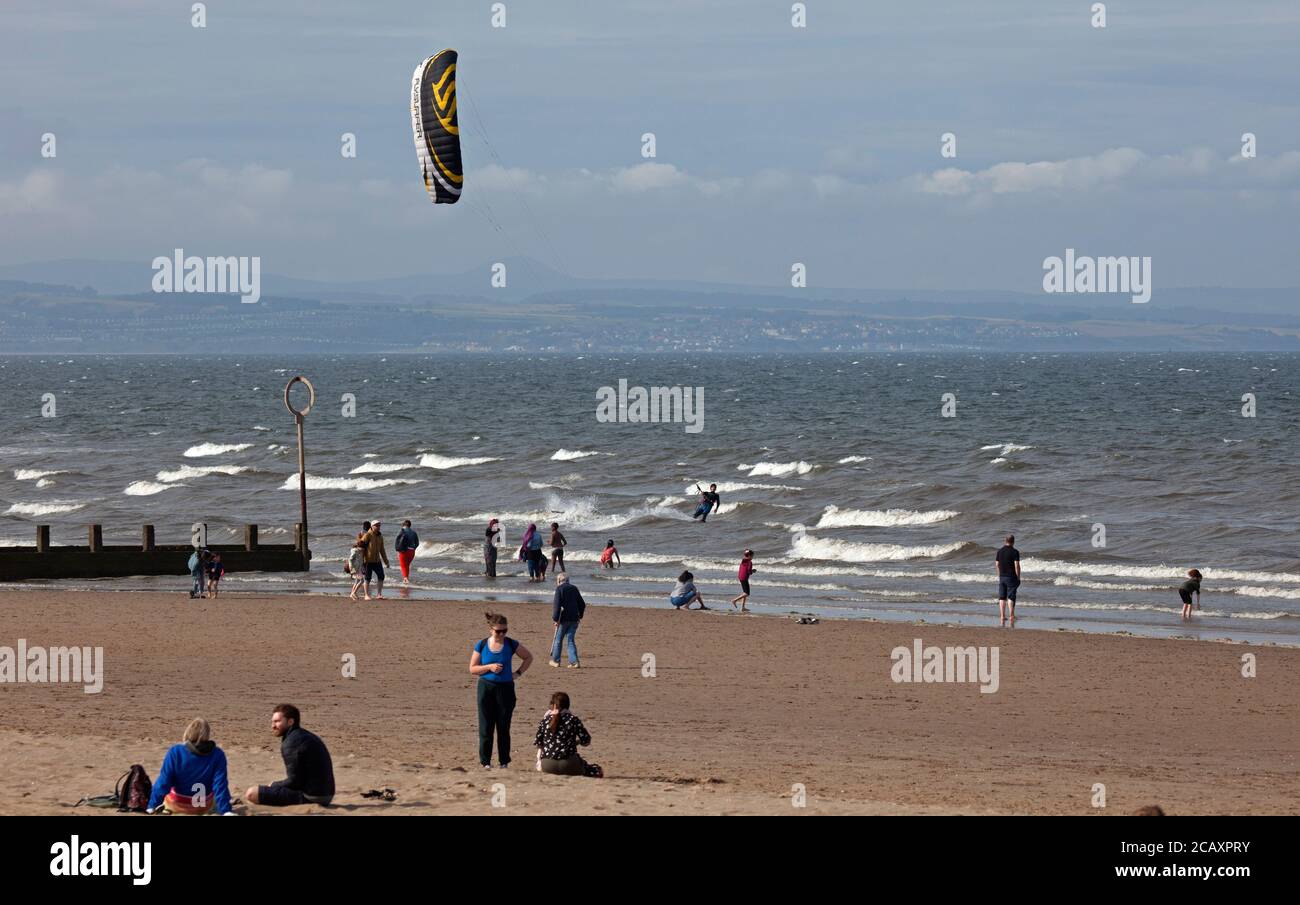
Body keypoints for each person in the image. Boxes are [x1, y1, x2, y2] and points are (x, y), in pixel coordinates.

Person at [469, 613, 533, 769]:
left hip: (505, 689)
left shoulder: (511, 644)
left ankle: (504, 762)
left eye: (505, 630)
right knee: (486, 726)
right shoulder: (482, 644)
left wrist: (517, 673)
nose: (502, 634)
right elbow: (472, 668)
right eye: (498, 631)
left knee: (503, 727)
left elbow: (528, 657)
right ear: (491, 629)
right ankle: (485, 762)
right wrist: (489, 667)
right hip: (486, 688)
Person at [243, 704, 335, 807]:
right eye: (272, 722)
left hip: (313, 797)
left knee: (252, 793)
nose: (273, 726)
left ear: (290, 722)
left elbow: (294, 782)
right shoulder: (304, 736)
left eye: (277, 721)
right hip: (326, 794)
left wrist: (274, 785)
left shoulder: (291, 743)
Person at [146, 718, 234, 815]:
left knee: (165, 789)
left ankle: (164, 808)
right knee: (215, 795)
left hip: (177, 804)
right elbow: (220, 784)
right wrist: (226, 811)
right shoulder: (217, 754)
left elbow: (164, 781)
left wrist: (152, 806)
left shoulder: (175, 751)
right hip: (203, 806)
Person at [533, 692, 602, 777]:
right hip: (570, 764)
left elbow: (538, 743)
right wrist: (577, 742)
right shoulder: (573, 720)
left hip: (547, 765)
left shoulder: (545, 721)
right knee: (593, 768)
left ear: (552, 705)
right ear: (568, 705)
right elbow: (586, 741)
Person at [549, 572, 586, 668]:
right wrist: (580, 615)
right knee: (570, 640)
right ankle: (574, 662)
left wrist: (555, 619)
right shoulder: (574, 588)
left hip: (563, 619)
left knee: (558, 640)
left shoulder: (559, 589)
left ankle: (555, 661)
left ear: (559, 581)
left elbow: (556, 606)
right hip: (574, 619)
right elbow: (582, 604)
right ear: (568, 581)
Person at [995, 534, 1021, 623]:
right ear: (1013, 541)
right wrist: (1018, 577)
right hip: (1011, 577)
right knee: (1011, 597)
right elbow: (1017, 565)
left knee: (1002, 597)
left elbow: (997, 564)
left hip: (1002, 577)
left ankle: (1002, 616)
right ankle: (1011, 616)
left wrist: (999, 575)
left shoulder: (999, 551)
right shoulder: (1015, 552)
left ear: (1005, 541)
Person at [363, 519, 390, 599]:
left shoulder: (380, 536)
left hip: (377, 561)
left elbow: (382, 550)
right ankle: (366, 595)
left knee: (381, 576)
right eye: (377, 525)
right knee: (368, 578)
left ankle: (379, 594)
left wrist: (386, 561)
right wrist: (361, 560)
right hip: (367, 560)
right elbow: (361, 546)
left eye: (379, 525)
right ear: (372, 526)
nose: (378, 527)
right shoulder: (368, 535)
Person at [394, 519, 419, 585]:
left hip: (404, 551)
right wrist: (413, 548)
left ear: (403, 525)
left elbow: (398, 541)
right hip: (412, 551)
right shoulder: (414, 532)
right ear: (410, 525)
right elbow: (417, 543)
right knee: (407, 565)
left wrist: (398, 550)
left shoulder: (402, 531)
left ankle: (405, 579)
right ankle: (406, 578)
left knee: (403, 565)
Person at [347, 533, 368, 600]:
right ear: (359, 547)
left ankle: (352, 594)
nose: (363, 550)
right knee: (362, 580)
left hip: (359, 568)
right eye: (362, 548)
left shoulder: (360, 551)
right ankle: (354, 593)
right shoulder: (355, 551)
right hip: (355, 568)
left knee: (357, 581)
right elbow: (350, 559)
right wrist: (351, 568)